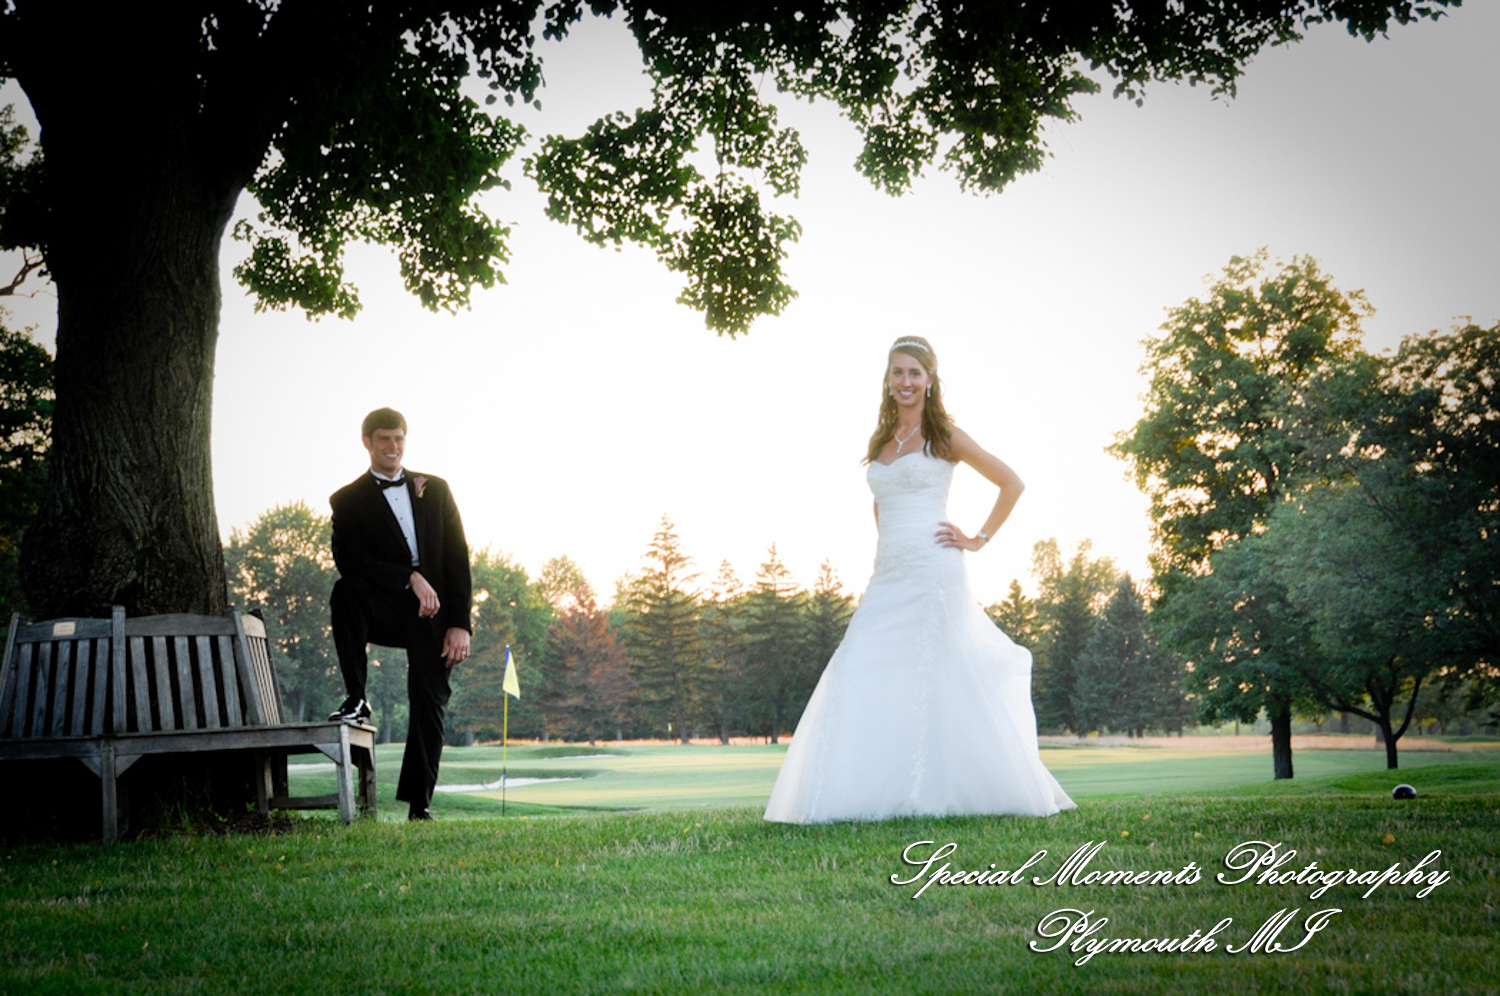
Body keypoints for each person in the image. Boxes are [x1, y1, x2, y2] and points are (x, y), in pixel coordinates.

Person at [764, 337, 1074, 823]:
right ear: (887, 381)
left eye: (914, 373)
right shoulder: (882, 441)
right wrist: (890, 548)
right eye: (897, 373)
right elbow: (880, 501)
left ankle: (958, 789)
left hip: (935, 569)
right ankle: (857, 794)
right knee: (859, 665)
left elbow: (1012, 482)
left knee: (941, 671)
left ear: (930, 380)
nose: (905, 382)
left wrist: (979, 538)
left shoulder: (945, 435)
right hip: (889, 573)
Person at [328, 408, 472, 821]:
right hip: (386, 607)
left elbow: (457, 559)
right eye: (384, 440)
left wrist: (460, 624)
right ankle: (357, 697)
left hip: (435, 614)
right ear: (368, 443)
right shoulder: (348, 500)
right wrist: (408, 577)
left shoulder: (435, 489)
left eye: (399, 439)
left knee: (429, 697)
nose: (392, 447)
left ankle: (418, 805)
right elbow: (351, 561)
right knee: (346, 592)